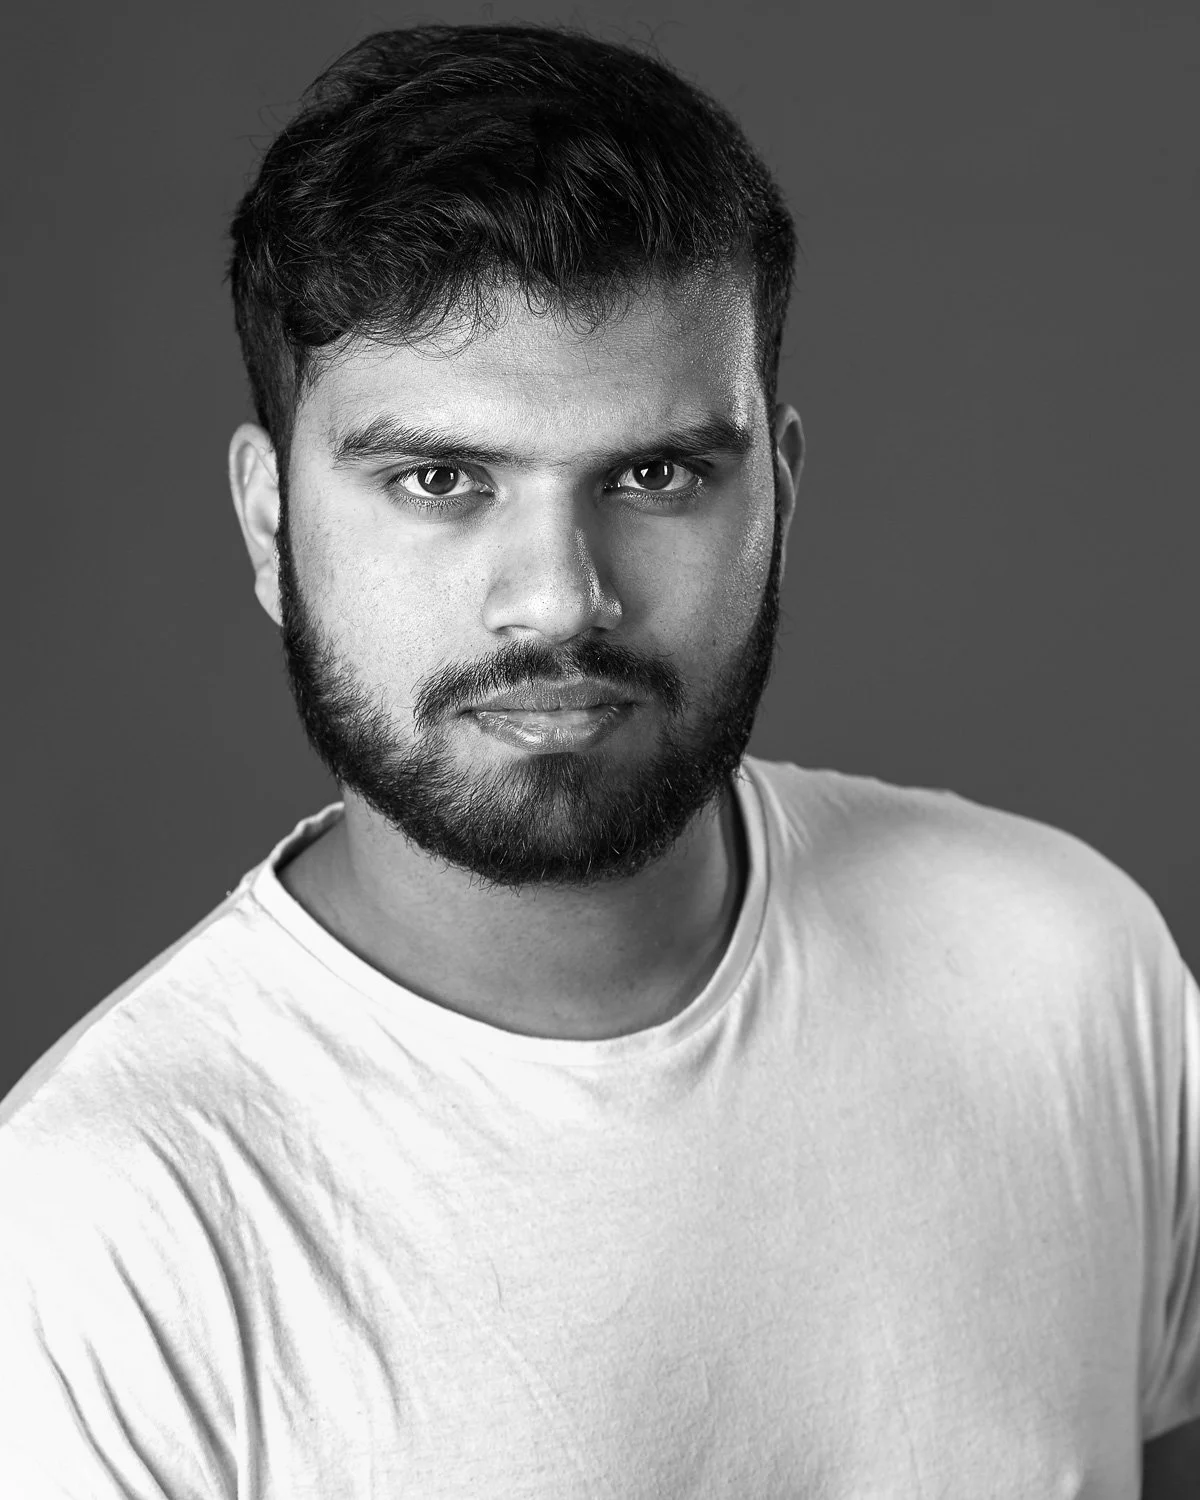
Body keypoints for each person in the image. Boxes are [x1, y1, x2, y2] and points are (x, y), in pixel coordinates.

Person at [1, 20, 1197, 1497]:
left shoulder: (1068, 966)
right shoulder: (95, 1239)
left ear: (782, 493)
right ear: (269, 525)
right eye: (439, 480)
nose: (561, 596)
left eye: (656, 474)